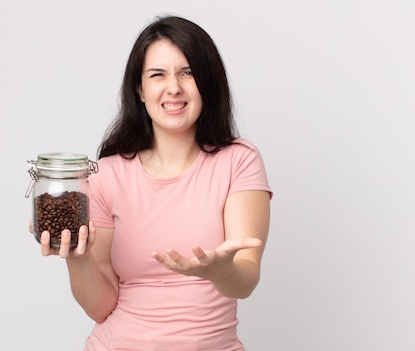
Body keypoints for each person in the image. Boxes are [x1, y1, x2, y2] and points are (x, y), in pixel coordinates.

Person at [31, 15, 272, 350]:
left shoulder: (239, 160)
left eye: (188, 72)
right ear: (140, 90)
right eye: (157, 74)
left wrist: (220, 271)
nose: (173, 87)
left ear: (209, 82)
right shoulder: (107, 174)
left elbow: (245, 280)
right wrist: (76, 255)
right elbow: (101, 308)